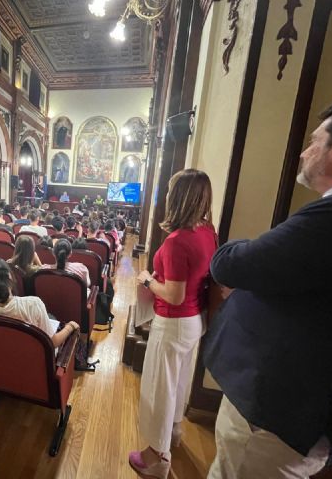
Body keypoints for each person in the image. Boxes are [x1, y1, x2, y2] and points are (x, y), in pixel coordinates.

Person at [204, 90, 332, 478]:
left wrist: (244, 257)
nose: (305, 152)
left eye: (314, 141)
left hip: (278, 408)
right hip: (286, 402)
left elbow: (231, 264)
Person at [129, 169, 216, 479]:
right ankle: (174, 433)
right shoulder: (208, 231)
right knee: (178, 382)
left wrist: (148, 280)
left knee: (159, 388)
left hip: (175, 321)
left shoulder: (179, 241)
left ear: (178, 197)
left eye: (169, 191)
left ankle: (155, 457)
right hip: (194, 321)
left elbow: (174, 295)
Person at [0, 257, 79, 348]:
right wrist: (70, 327)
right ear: (9, 277)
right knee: (53, 318)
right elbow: (52, 343)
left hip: (1, 362)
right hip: (37, 362)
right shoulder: (33, 304)